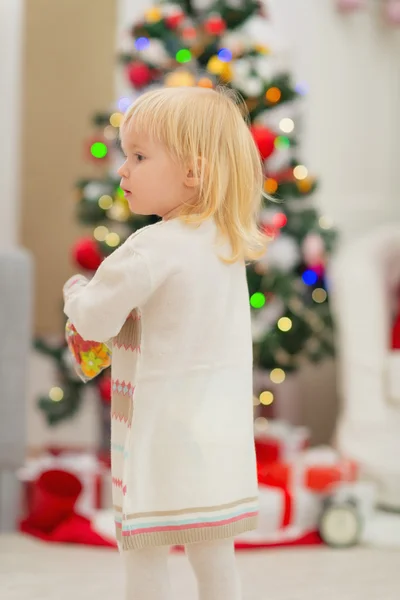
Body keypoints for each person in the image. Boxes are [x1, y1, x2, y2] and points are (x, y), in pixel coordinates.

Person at [63, 86, 267, 600]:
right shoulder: (226, 244)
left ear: (192, 172)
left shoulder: (149, 249)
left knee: (144, 556)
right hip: (216, 440)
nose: (123, 170)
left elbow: (94, 318)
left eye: (138, 155)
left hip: (158, 441)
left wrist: (74, 293)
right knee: (215, 558)